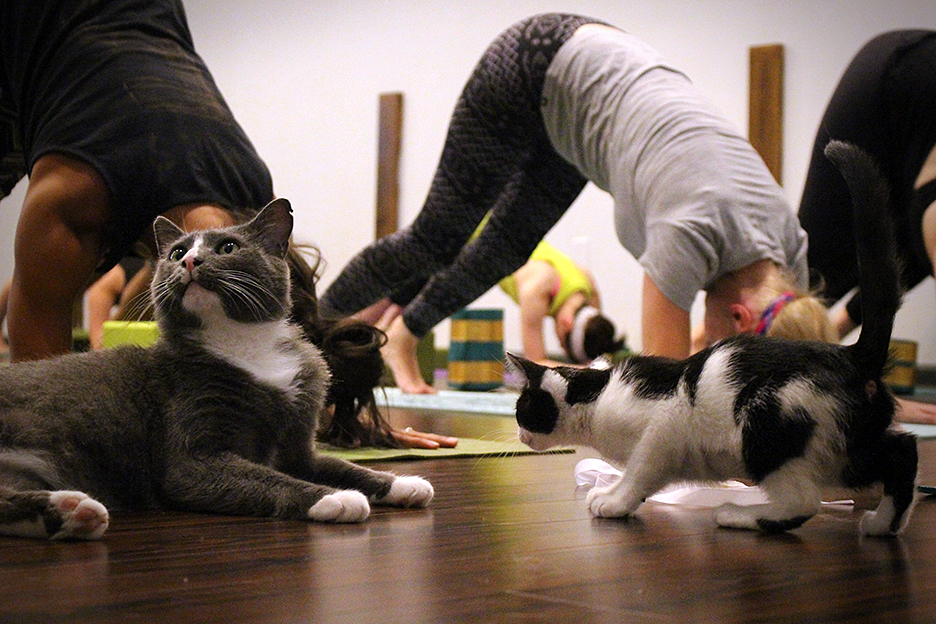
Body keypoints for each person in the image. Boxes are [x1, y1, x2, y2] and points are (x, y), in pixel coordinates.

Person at [0, 0, 450, 449]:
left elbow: (282, 337)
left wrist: (339, 420)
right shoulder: (72, 197)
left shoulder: (254, 202)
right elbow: (38, 402)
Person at [321, 13, 831, 393]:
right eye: (721, 344)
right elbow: (664, 396)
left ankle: (404, 337)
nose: (707, 341)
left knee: (505, 249)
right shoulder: (688, 234)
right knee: (436, 240)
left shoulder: (792, 268)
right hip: (536, 63)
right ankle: (307, 336)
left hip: (593, 93)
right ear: (740, 319)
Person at [798, 30, 936, 425]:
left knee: (811, 281)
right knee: (809, 279)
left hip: (895, 70)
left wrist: (858, 376)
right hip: (890, 78)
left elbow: (905, 258)